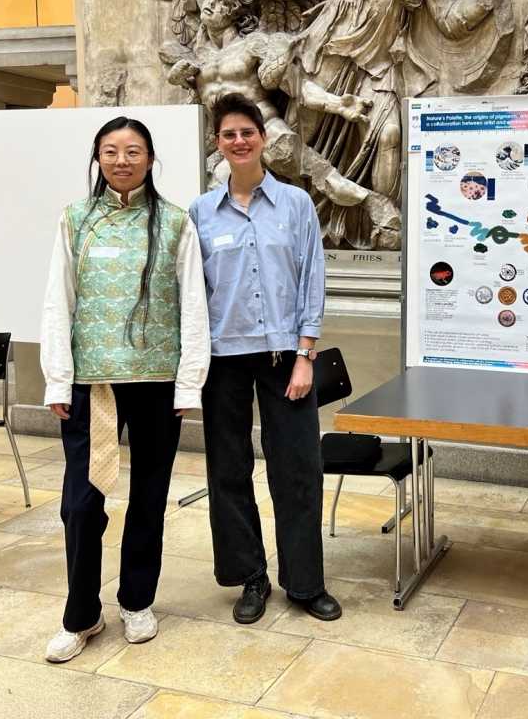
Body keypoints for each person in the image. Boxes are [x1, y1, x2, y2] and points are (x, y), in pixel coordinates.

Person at [40, 117, 210, 663]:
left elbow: (193, 307)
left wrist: (190, 385)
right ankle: (81, 614)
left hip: (157, 383)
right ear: (97, 158)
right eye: (111, 151)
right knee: (82, 504)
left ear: (151, 159)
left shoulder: (176, 222)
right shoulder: (75, 220)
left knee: (148, 497)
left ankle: (137, 600)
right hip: (95, 383)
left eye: (133, 151)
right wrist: (57, 378)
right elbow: (57, 302)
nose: (122, 160)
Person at [189, 93, 339, 624]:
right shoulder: (200, 213)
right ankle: (250, 577)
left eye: (246, 132)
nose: (238, 141)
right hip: (223, 359)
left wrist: (306, 354)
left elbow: (312, 281)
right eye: (228, 134)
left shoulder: (296, 204)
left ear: (263, 138)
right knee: (229, 471)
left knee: (298, 468)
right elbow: (192, 293)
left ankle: (304, 582)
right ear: (218, 144)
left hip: (285, 357)